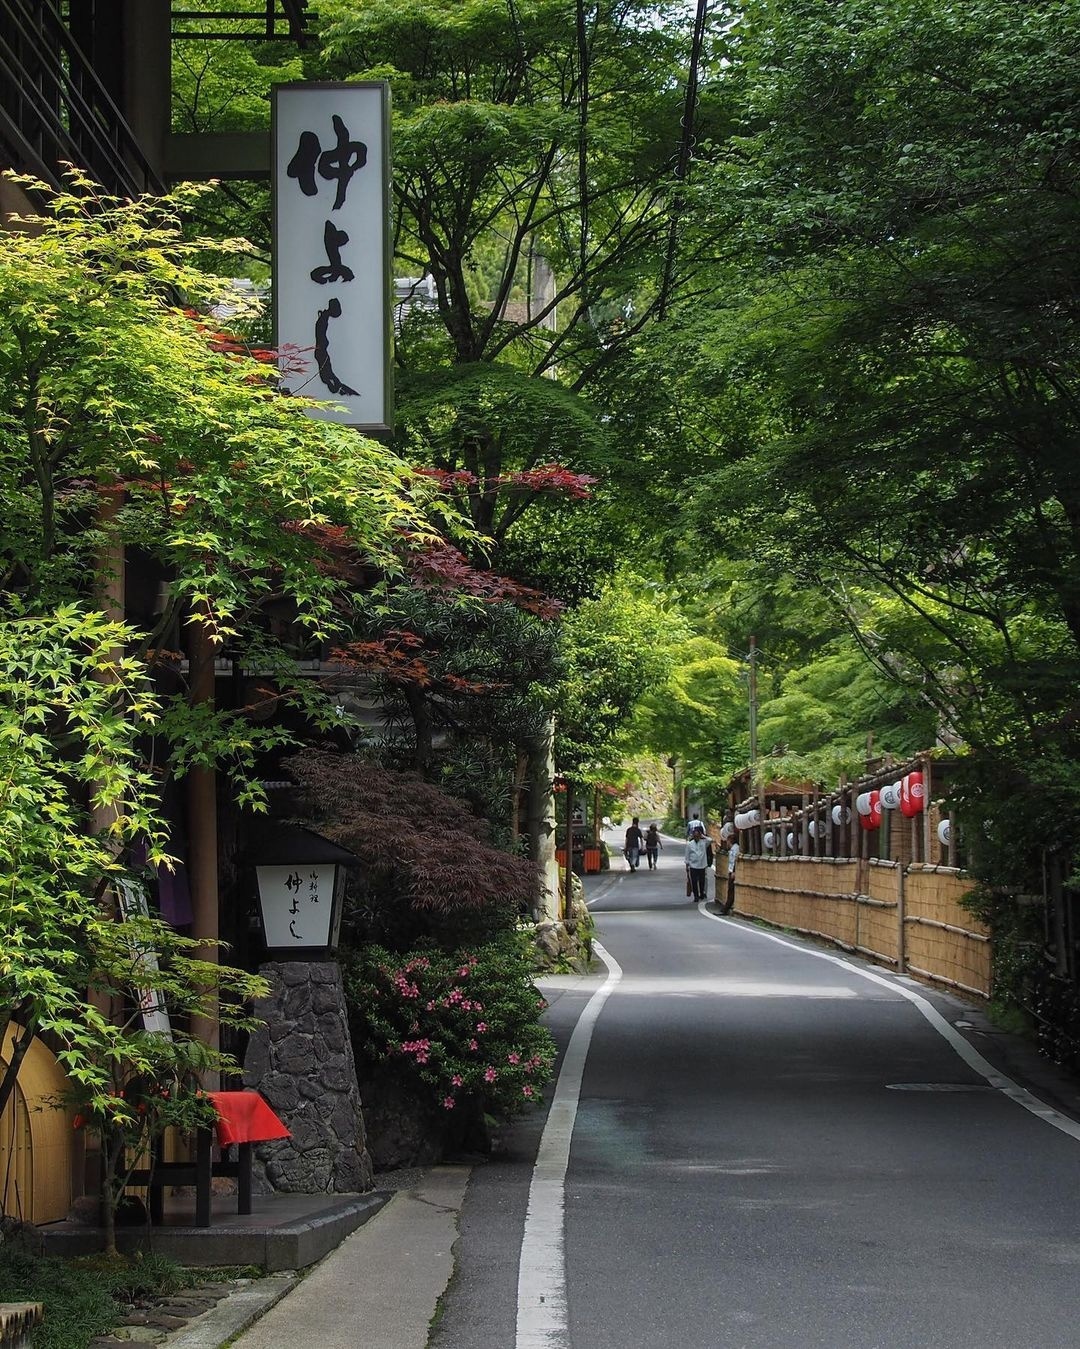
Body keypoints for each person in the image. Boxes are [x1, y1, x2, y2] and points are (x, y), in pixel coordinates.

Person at [685, 822, 712, 902]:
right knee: (694, 881)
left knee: (702, 881)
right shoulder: (690, 844)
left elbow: (710, 840)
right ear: (693, 836)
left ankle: (701, 894)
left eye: (698, 836)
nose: (696, 837)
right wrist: (687, 866)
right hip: (693, 865)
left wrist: (703, 836)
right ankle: (696, 896)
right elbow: (687, 855)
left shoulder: (703, 843)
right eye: (695, 836)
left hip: (702, 865)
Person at [723, 836, 740, 914]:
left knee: (731, 890)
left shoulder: (735, 849)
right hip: (731, 871)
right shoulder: (732, 849)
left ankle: (726, 908)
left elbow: (735, 861)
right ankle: (726, 907)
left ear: (730, 841)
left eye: (727, 841)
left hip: (733, 871)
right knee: (730, 890)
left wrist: (734, 871)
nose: (727, 843)